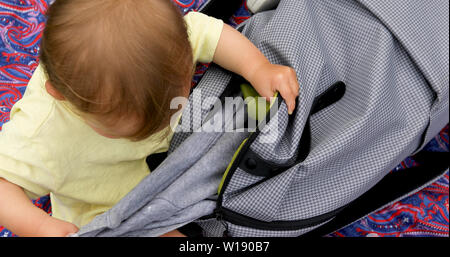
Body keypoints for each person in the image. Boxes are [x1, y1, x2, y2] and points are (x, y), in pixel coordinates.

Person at [0, 0, 299, 237]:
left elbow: (210, 33)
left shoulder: (160, 40)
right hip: (113, 204)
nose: (159, 122)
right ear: (61, 96)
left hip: (177, 159)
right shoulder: (42, 134)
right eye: (134, 127)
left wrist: (258, 67)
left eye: (171, 104)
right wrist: (38, 227)